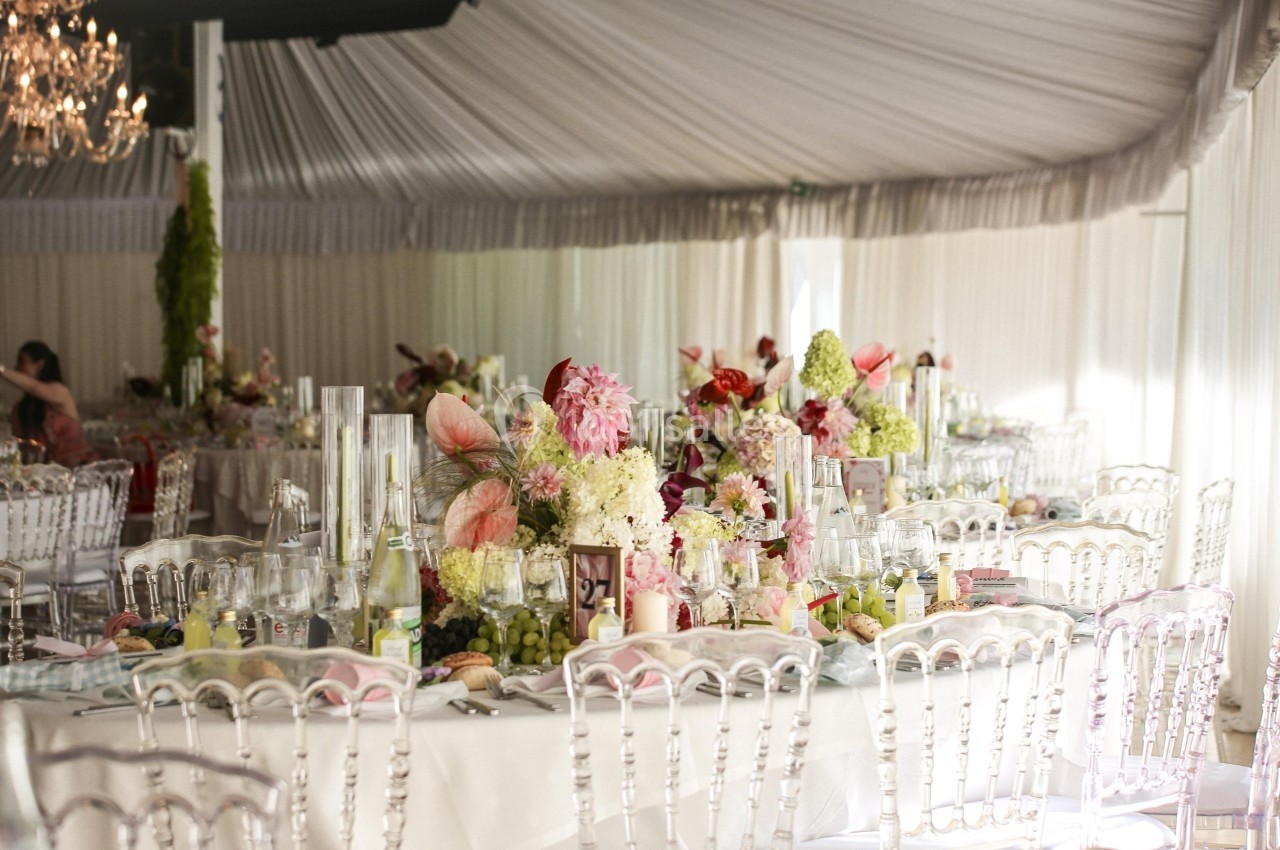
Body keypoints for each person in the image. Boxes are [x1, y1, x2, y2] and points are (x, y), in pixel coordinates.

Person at [0, 340, 98, 467]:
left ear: (40, 365)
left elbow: (33, 387)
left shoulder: (59, 391)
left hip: (81, 469)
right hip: (46, 476)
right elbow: (21, 448)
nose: (16, 368)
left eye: (21, 362)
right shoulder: (20, 409)